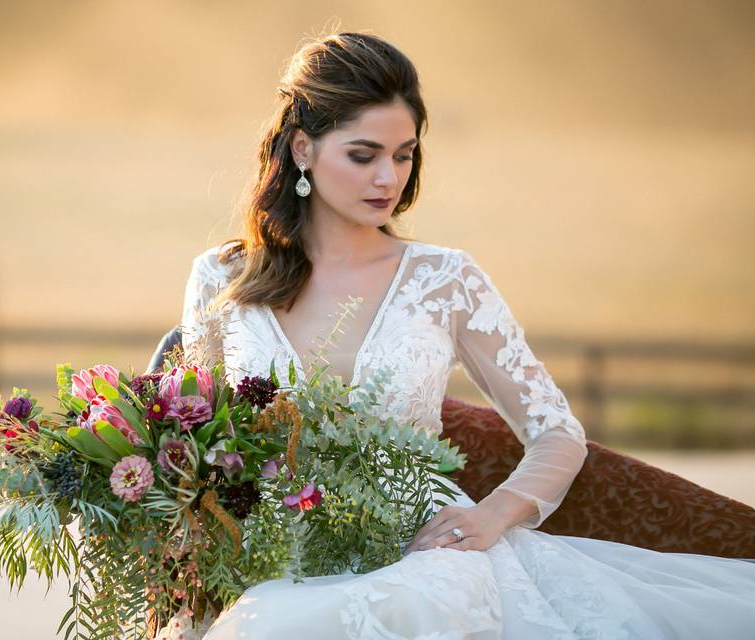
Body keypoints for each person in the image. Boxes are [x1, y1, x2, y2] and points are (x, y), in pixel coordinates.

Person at [176, 32, 755, 639]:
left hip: (424, 557)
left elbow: (558, 434)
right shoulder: (223, 279)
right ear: (302, 149)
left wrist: (489, 518)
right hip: (272, 558)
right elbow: (195, 446)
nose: (387, 178)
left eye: (404, 155)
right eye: (363, 154)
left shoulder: (444, 279)